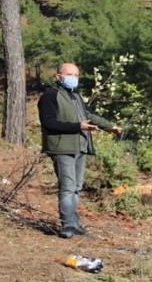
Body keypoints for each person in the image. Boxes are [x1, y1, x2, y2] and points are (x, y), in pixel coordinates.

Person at [38, 62, 121, 239]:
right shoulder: (50, 96)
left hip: (80, 147)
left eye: (76, 75)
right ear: (58, 76)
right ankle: (67, 225)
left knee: (76, 187)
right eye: (69, 75)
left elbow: (88, 116)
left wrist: (109, 126)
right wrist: (78, 126)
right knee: (67, 187)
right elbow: (49, 123)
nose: (73, 79)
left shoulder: (75, 95)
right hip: (62, 147)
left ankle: (74, 224)